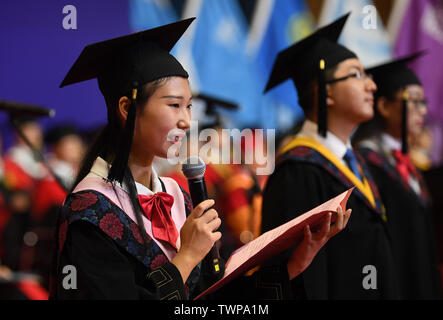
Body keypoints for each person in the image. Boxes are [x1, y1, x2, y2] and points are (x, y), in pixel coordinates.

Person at [261, 13, 400, 299]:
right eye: (357, 74)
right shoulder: (299, 170)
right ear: (327, 94)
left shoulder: (358, 164)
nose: (372, 85)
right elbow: (302, 278)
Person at [353, 53, 442, 299]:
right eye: (413, 100)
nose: (422, 110)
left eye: (423, 102)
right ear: (382, 106)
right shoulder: (366, 162)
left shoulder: (408, 164)